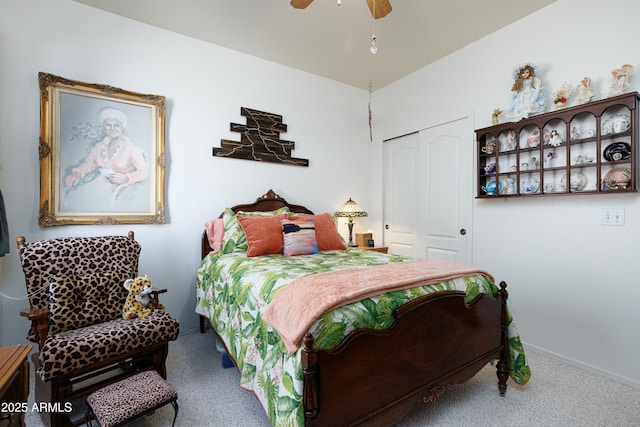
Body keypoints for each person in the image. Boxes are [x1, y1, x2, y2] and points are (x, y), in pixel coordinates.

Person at [65, 107, 149, 192]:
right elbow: (89, 164)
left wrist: (127, 178)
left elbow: (144, 172)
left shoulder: (131, 149)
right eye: (108, 125)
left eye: (116, 125)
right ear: (104, 128)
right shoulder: (99, 146)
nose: (112, 128)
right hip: (101, 184)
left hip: (122, 188)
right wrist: (77, 173)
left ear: (122, 128)